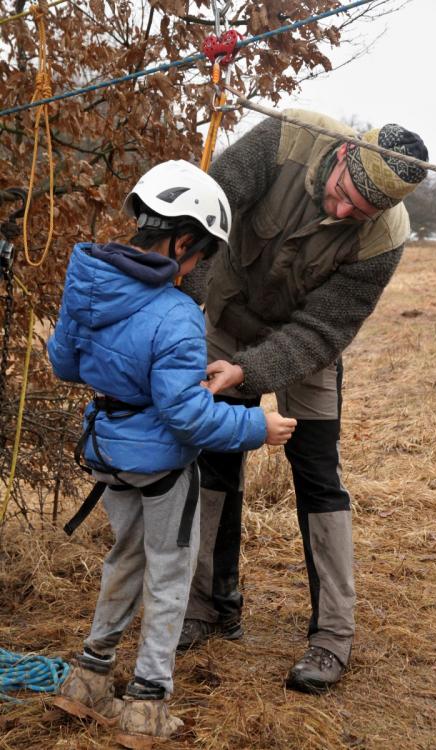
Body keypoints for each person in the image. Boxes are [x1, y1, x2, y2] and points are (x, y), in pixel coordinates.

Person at [47, 160, 296, 748]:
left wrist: (145, 375)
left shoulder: (88, 284)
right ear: (182, 241)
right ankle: (147, 703)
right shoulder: (177, 312)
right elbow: (186, 415)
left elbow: (65, 363)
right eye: (200, 257)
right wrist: (256, 425)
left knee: (126, 557)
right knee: (170, 573)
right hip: (159, 465)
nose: (196, 270)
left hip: (109, 452)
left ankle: (88, 678)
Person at [179, 110, 429, 694]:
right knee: (215, 456)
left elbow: (321, 332)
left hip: (305, 343)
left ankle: (332, 639)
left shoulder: (384, 239)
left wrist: (253, 369)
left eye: (360, 213)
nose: (344, 213)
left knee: (318, 472)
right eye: (344, 196)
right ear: (342, 155)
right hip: (225, 316)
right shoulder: (281, 139)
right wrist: (184, 305)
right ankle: (211, 606)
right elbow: (205, 215)